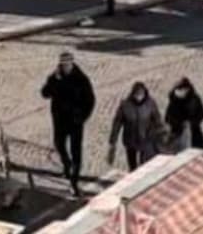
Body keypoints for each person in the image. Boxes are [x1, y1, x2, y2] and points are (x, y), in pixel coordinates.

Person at [40, 51, 96, 194]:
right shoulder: (55, 77)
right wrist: (53, 81)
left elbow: (90, 100)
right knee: (59, 145)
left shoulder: (81, 79)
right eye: (62, 64)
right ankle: (67, 164)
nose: (65, 67)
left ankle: (74, 182)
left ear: (72, 63)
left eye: (67, 64)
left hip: (76, 122)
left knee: (76, 151)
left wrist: (83, 117)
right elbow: (45, 94)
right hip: (59, 120)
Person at [107, 81, 164, 171]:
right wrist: (113, 141)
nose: (139, 96)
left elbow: (157, 119)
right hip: (130, 140)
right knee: (132, 166)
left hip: (146, 139)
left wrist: (161, 136)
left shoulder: (150, 104)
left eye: (140, 94)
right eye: (137, 94)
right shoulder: (125, 105)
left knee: (144, 165)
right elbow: (117, 123)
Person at [165, 77, 203, 150]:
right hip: (177, 133)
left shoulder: (194, 99)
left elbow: (201, 113)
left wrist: (192, 123)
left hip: (194, 132)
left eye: (185, 89)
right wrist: (179, 124)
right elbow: (168, 118)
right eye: (180, 89)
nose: (183, 91)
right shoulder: (173, 102)